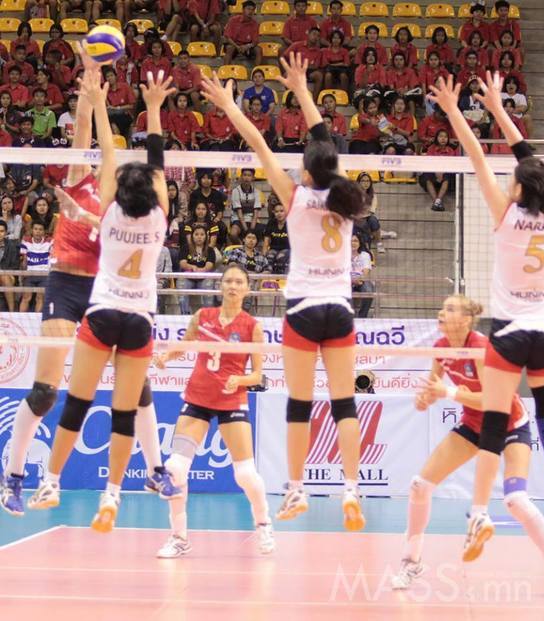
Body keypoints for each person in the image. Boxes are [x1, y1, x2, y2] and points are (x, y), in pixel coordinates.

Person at [1, 50, 179, 518]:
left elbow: (122, 161)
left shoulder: (117, 203)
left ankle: (156, 469)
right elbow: (85, 125)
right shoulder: (80, 175)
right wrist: (91, 73)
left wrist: (85, 214)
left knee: (138, 389)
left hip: (105, 292)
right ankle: (14, 476)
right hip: (66, 285)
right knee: (45, 391)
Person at [200, 53, 367, 530]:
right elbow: (325, 140)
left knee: (299, 403)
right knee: (344, 404)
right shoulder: (347, 200)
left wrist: (230, 106)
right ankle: (351, 489)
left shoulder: (294, 196)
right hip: (339, 308)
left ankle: (296, 489)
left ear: (306, 173)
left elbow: (257, 142)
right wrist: (303, 90)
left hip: (303, 309)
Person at [427, 73, 544, 562]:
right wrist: (498, 109)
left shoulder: (506, 213)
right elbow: (527, 157)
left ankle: (478, 514)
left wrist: (456, 110)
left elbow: (475, 155)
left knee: (493, 423)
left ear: (518, 190)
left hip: (509, 334)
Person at [391, 295, 544, 596]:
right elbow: (432, 391)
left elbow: (492, 400)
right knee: (419, 486)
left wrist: (448, 392)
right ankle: (411, 561)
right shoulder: (440, 348)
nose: (441, 312)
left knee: (516, 499)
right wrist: (424, 398)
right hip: (474, 427)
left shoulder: (480, 347)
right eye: (443, 307)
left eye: (450, 309)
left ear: (466, 319)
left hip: (510, 425)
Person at [154, 264, 274, 557]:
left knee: (245, 474)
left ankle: (264, 525)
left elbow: (258, 376)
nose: (233, 286)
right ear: (221, 286)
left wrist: (240, 380)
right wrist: (166, 356)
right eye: (228, 281)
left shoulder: (252, 327)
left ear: (247, 289)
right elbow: (185, 345)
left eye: (239, 282)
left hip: (231, 401)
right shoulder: (203, 316)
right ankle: (179, 537)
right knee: (176, 467)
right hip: (198, 397)